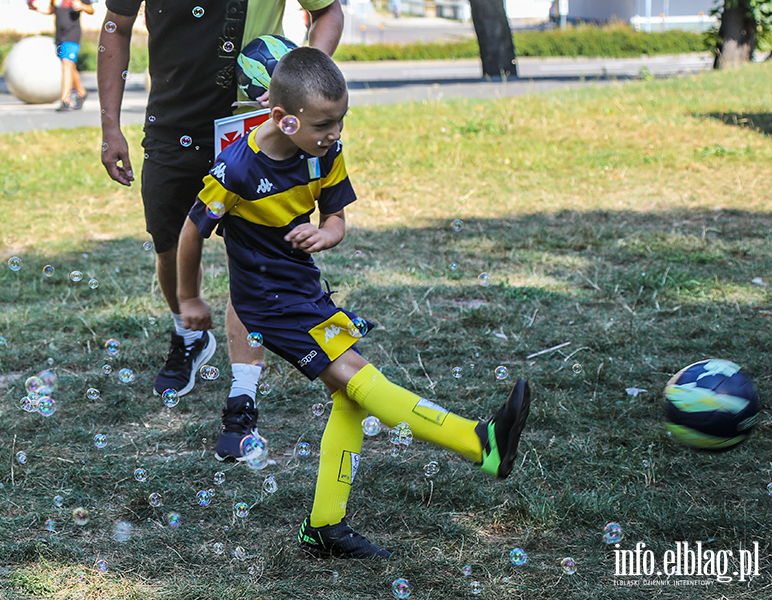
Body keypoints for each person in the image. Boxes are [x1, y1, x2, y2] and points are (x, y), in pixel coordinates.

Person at [177, 47, 533, 558]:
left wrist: (326, 234)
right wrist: (189, 297)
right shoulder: (235, 168)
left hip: (305, 290)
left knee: (349, 397)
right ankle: (480, 443)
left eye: (340, 121)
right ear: (283, 118)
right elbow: (192, 234)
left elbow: (337, 218)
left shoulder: (324, 150)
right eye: (324, 123)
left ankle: (324, 525)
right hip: (268, 304)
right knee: (361, 378)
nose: (334, 133)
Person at [97, 0, 344, 462]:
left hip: (254, 126)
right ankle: (187, 335)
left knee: (250, 262)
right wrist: (110, 126)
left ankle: (242, 398)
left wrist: (305, 89)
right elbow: (117, 28)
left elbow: (328, 11)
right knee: (168, 242)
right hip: (174, 122)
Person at [30, 0, 95, 111]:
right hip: (60, 36)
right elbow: (51, 11)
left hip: (72, 34)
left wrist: (82, 6)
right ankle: (82, 92)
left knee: (66, 63)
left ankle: (65, 100)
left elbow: (91, 10)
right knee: (69, 66)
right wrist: (36, 9)